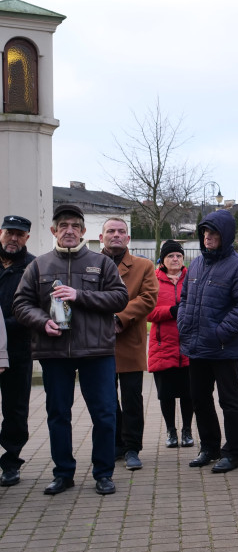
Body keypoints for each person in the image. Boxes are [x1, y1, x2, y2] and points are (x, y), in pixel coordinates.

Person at [13, 204, 129, 496]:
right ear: (54, 231)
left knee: (104, 415)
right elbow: (21, 304)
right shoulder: (38, 266)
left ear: (83, 232)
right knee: (58, 415)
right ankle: (63, 473)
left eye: (75, 226)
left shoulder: (101, 264)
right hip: (54, 352)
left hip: (96, 351)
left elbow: (119, 298)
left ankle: (103, 473)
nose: (69, 230)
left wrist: (80, 295)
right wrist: (42, 323)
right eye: (63, 225)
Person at [177, 209, 238, 474]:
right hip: (196, 346)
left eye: (213, 233)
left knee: (229, 402)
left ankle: (232, 452)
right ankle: (209, 447)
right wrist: (183, 323)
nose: (208, 238)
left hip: (223, 349)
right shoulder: (198, 264)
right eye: (204, 233)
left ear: (225, 235)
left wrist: (221, 332)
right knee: (200, 400)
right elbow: (186, 298)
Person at [100, 217, 158, 471]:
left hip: (129, 340)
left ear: (128, 238)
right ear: (101, 237)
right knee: (106, 399)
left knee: (132, 397)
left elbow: (148, 298)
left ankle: (133, 447)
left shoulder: (143, 265)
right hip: (98, 342)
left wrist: (118, 318)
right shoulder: (91, 264)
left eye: (121, 231)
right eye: (110, 231)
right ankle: (115, 445)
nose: (116, 235)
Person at [147, 239, 194, 449]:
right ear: (163, 260)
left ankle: (187, 430)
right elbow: (146, 311)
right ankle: (171, 431)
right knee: (166, 394)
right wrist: (170, 311)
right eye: (170, 256)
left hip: (188, 345)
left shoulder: (192, 278)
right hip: (162, 345)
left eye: (178, 256)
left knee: (188, 392)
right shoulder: (152, 281)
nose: (175, 259)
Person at [0, 215, 35, 487]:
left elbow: (37, 306)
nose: (13, 238)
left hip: (17, 350)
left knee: (15, 410)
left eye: (19, 234)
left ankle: (11, 461)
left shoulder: (32, 266)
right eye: (9, 233)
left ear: (27, 238)